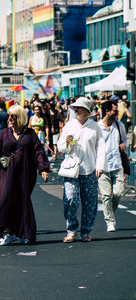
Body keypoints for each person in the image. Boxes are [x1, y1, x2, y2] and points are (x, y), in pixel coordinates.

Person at [0, 104, 50, 245]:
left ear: (20, 117)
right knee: (5, 200)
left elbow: (38, 151)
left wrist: (43, 169)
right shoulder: (4, 133)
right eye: (9, 116)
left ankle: (23, 234)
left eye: (13, 116)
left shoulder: (30, 134)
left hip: (25, 172)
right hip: (6, 173)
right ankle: (10, 233)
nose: (10, 118)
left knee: (22, 202)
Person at [57, 97, 107, 243]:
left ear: (85, 110)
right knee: (70, 199)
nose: (75, 110)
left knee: (90, 202)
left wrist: (100, 166)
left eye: (78, 107)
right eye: (74, 108)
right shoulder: (69, 125)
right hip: (71, 168)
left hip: (89, 168)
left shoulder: (95, 126)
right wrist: (66, 141)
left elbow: (101, 147)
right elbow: (60, 145)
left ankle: (86, 231)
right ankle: (71, 230)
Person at [97, 101, 126, 232]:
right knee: (106, 195)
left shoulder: (119, 125)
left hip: (117, 164)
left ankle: (110, 213)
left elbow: (125, 140)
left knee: (118, 193)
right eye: (115, 110)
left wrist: (124, 145)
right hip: (102, 167)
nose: (117, 113)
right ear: (107, 111)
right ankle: (109, 221)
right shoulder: (97, 127)